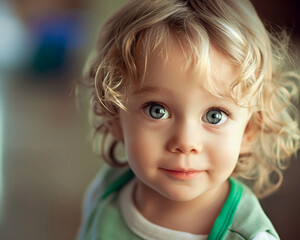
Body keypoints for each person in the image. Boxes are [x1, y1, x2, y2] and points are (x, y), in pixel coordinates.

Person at [77, 0, 300, 239]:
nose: (185, 142)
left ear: (249, 130)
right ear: (114, 116)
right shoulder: (105, 192)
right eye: (156, 110)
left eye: (215, 116)